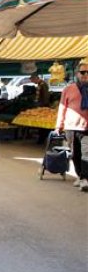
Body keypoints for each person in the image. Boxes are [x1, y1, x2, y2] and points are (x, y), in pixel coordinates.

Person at [55, 59, 88, 191]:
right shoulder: (68, 89)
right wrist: (59, 125)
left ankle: (85, 178)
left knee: (86, 153)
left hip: (86, 127)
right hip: (72, 127)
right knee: (75, 154)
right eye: (82, 72)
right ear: (77, 74)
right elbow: (62, 107)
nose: (85, 74)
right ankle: (80, 176)